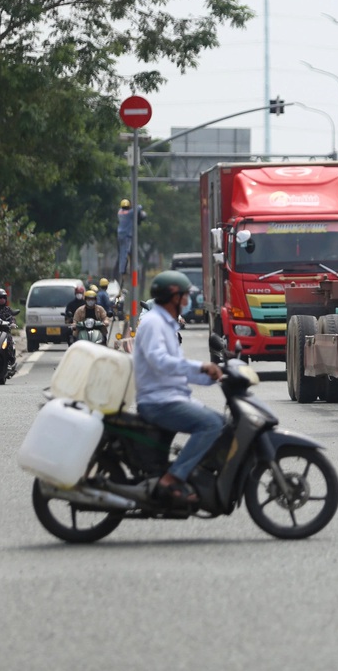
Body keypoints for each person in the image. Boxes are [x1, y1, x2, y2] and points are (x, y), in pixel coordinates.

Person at [133, 270, 225, 505]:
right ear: (173, 297)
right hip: (159, 401)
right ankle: (173, 478)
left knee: (224, 424)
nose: (187, 302)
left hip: (172, 397)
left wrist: (213, 376)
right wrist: (203, 366)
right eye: (184, 296)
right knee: (211, 424)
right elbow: (160, 362)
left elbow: (178, 368)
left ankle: (194, 475)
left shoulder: (167, 325)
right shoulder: (153, 323)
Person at [115, 198, 146, 279]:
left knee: (122, 253)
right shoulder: (129, 213)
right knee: (125, 253)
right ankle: (123, 270)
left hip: (120, 235)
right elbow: (139, 207)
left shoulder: (120, 212)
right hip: (126, 236)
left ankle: (123, 269)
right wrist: (135, 205)